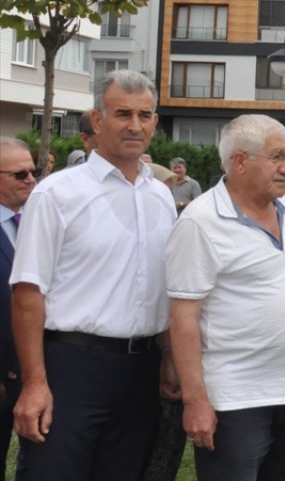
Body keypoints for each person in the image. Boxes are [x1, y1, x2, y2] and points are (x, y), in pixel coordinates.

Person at [9, 70, 178, 479]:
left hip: (140, 371)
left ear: (155, 122)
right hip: (72, 367)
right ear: (97, 120)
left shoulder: (161, 197)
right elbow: (27, 292)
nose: (135, 125)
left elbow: (163, 288)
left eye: (145, 115)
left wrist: (170, 356)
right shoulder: (57, 194)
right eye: (122, 113)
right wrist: (34, 383)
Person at [166, 115, 285, 479]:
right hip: (235, 401)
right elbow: (183, 318)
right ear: (240, 161)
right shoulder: (201, 222)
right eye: (277, 157)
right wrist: (196, 400)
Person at [0, 136, 37, 479]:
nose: (30, 179)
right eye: (19, 174)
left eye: (33, 172)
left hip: (36, 370)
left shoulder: (35, 224)